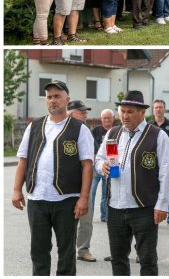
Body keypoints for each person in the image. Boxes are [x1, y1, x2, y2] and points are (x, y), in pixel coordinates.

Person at [12, 80, 94, 275]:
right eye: (49, 97)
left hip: (66, 200)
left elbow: (87, 165)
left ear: (67, 99)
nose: (53, 100)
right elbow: (23, 160)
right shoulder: (34, 126)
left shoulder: (79, 129)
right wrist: (16, 190)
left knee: (66, 253)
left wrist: (83, 198)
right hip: (37, 199)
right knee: (38, 251)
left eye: (57, 96)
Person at [96, 91, 169, 276]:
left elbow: (166, 172)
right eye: (122, 111)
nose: (124, 116)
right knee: (118, 258)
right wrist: (102, 166)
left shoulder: (157, 135)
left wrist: (162, 205)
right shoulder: (113, 133)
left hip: (144, 207)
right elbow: (99, 158)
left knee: (147, 259)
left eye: (130, 111)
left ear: (142, 113)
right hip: (115, 206)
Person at [67, 100, 98, 263]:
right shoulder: (62, 130)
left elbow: (92, 157)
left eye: (86, 112)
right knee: (65, 220)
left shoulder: (85, 131)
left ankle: (83, 249)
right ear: (71, 113)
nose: (86, 115)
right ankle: (67, 249)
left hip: (84, 182)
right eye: (82, 112)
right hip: (65, 184)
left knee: (86, 218)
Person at [151, 99, 169, 230]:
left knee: (168, 191)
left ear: (164, 109)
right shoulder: (149, 125)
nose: (158, 109)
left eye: (160, 107)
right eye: (156, 107)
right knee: (151, 190)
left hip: (166, 163)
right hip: (151, 163)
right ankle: (151, 218)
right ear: (153, 109)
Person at [91, 109, 114, 223]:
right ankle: (88, 215)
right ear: (101, 119)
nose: (106, 120)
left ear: (112, 119)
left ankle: (104, 216)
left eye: (109, 118)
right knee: (92, 192)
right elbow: (90, 148)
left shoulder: (115, 131)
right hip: (95, 166)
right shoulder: (95, 131)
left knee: (106, 193)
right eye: (104, 118)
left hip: (108, 168)